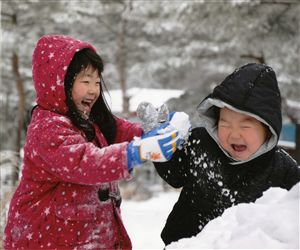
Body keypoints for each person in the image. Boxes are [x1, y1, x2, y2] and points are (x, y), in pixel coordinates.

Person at [3, 34, 183, 250]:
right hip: (45, 239)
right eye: (85, 81)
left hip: (87, 238)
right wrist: (135, 152)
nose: (93, 89)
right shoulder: (47, 128)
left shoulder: (88, 119)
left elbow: (119, 131)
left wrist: (149, 133)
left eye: (97, 82)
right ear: (58, 83)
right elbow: (84, 161)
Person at [154, 63, 300, 246]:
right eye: (225, 124)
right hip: (185, 244)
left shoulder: (281, 167)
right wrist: (160, 149)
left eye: (245, 126)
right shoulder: (200, 142)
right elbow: (174, 174)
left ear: (268, 129)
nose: (234, 134)